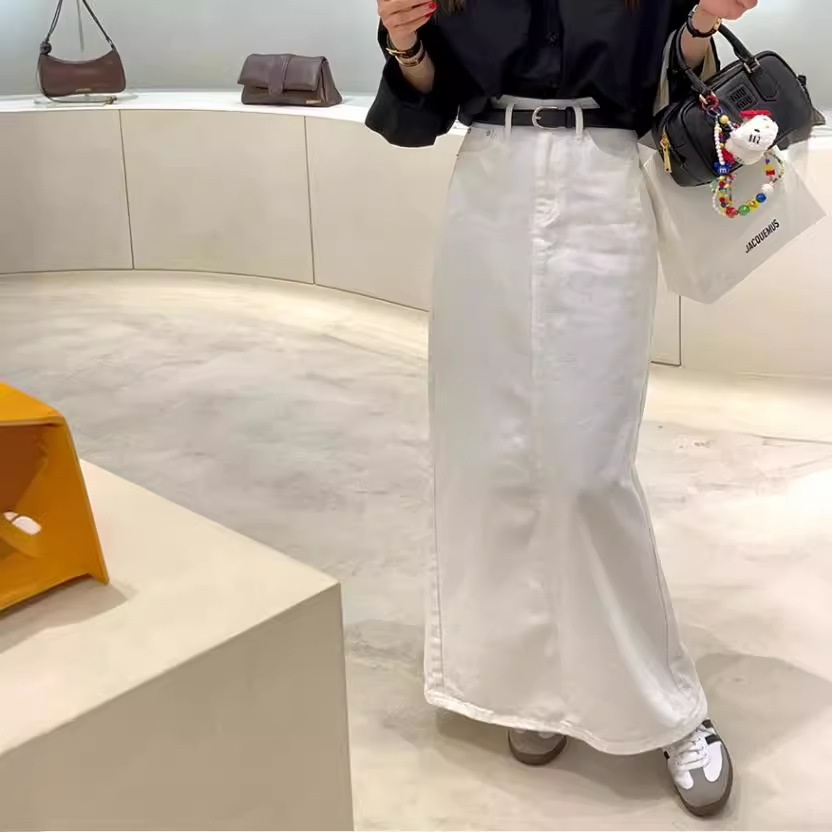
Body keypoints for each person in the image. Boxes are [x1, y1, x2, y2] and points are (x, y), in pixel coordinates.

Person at [366, 0, 758, 818]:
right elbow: (427, 106)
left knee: (588, 473)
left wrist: (699, 23)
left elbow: (673, 76)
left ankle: (668, 707)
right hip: (490, 186)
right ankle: (528, 686)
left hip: (604, 184)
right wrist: (403, 41)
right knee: (489, 460)